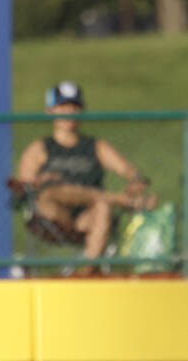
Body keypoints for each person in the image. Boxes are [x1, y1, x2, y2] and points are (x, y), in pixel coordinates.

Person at [14, 80, 155, 269]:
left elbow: (129, 170)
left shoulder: (95, 147)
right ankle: (119, 199)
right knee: (55, 190)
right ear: (50, 110)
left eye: (74, 106)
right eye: (63, 106)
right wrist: (40, 181)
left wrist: (136, 181)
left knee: (103, 208)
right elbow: (23, 185)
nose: (69, 112)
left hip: (85, 218)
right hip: (54, 217)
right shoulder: (39, 149)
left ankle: (85, 273)